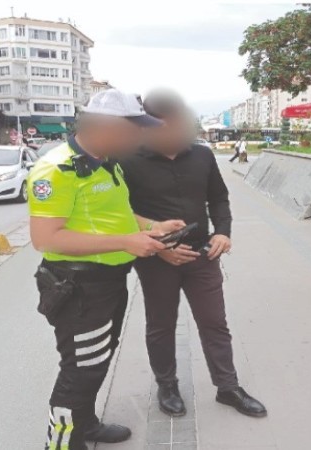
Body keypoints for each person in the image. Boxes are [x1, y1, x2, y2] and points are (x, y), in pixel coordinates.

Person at [28, 88, 185, 450]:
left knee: (97, 360)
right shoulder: (56, 169)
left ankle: (85, 425)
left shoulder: (106, 162)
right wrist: (127, 242)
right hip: (78, 286)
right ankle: (61, 445)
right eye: (134, 130)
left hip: (108, 282)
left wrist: (152, 227)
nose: (139, 138)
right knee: (79, 371)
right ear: (107, 127)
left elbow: (116, 216)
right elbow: (46, 238)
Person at [121, 89, 268, 419]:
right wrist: (160, 248)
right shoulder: (127, 160)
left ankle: (228, 387)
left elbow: (218, 198)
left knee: (214, 323)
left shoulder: (202, 155)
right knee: (161, 325)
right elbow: (120, 213)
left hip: (202, 256)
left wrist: (223, 232)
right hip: (157, 260)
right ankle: (167, 385)